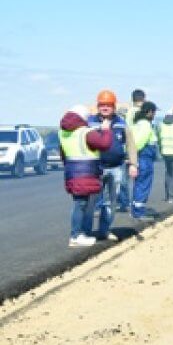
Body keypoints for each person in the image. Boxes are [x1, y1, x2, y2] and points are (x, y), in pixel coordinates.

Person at [60, 104, 114, 247]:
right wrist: (106, 130)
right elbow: (104, 144)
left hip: (72, 173)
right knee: (81, 204)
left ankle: (78, 234)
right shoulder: (86, 132)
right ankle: (76, 235)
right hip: (86, 174)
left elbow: (63, 155)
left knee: (79, 203)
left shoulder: (64, 133)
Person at [88, 90, 133, 240]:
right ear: (98, 106)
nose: (105, 108)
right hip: (96, 168)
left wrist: (133, 163)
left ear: (114, 106)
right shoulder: (90, 122)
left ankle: (104, 230)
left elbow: (131, 144)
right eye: (102, 105)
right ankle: (86, 232)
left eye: (108, 105)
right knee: (91, 201)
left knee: (110, 201)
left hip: (116, 168)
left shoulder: (121, 123)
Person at [129, 102, 159, 221]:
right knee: (143, 185)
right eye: (154, 112)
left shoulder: (136, 124)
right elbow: (139, 142)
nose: (154, 115)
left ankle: (136, 209)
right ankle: (138, 212)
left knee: (139, 184)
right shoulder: (146, 125)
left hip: (140, 157)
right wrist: (134, 155)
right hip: (144, 158)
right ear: (150, 112)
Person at [117, 88, 147, 210]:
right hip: (136, 147)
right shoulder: (141, 113)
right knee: (138, 178)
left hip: (125, 147)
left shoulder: (127, 113)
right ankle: (134, 204)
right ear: (143, 99)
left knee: (123, 178)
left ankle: (123, 202)